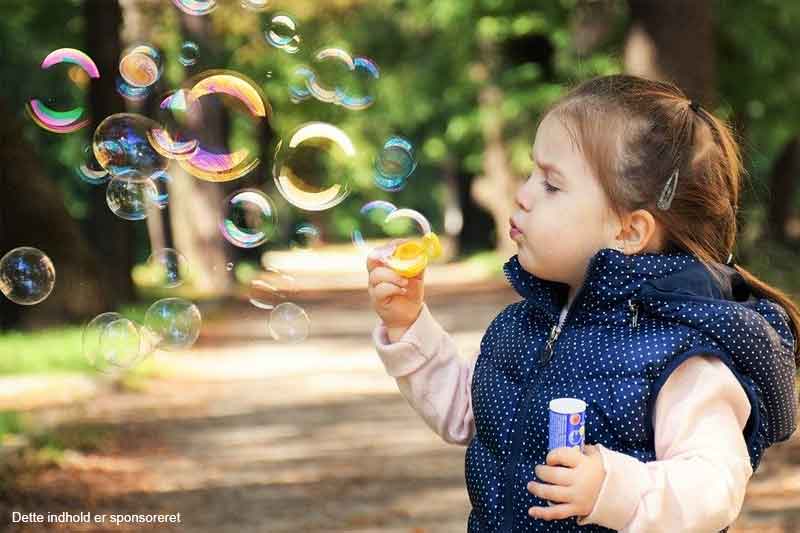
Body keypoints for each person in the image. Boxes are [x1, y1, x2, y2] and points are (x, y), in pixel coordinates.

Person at [366, 74, 799, 532]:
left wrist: (613, 489)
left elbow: (714, 486)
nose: (523, 193)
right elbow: (467, 415)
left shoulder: (678, 354)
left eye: (551, 185)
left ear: (629, 231)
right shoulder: (523, 326)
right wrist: (409, 324)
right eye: (532, 172)